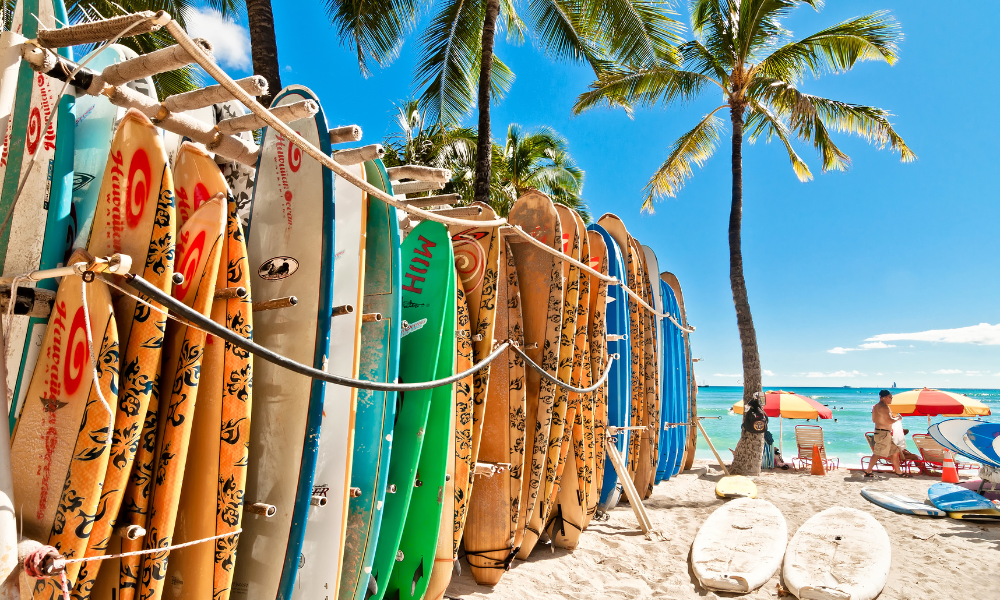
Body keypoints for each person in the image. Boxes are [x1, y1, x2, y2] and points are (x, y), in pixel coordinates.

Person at [864, 390, 909, 477]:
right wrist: (898, 418)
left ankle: (898, 472)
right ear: (886, 397)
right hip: (883, 433)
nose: (891, 399)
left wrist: (891, 418)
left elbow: (874, 420)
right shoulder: (885, 407)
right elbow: (890, 420)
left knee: (895, 451)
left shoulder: (876, 407)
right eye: (891, 397)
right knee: (878, 453)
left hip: (881, 432)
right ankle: (868, 471)